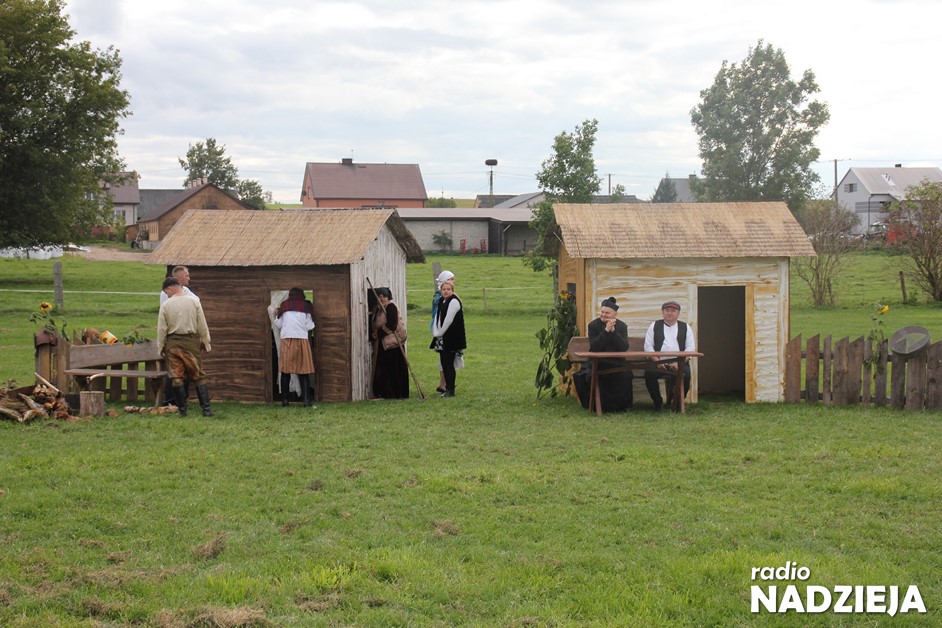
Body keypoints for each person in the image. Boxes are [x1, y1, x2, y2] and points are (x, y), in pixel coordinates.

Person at [157, 277, 214, 417]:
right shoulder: (194, 302)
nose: (167, 295)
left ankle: (182, 410)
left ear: (170, 288)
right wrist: (206, 342)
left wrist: (161, 346)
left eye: (167, 292)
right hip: (191, 343)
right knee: (198, 375)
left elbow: (161, 328)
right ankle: (206, 410)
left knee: (176, 377)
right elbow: (202, 324)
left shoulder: (166, 305)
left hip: (172, 344)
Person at [574, 297, 632, 412]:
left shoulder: (622, 326)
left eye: (607, 313)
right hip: (597, 363)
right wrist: (605, 331)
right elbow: (594, 347)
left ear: (615, 315)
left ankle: (621, 407)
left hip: (617, 363)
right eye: (602, 312)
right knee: (592, 375)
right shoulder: (593, 325)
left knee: (626, 375)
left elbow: (623, 347)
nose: (604, 315)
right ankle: (598, 406)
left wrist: (613, 332)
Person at [643, 300, 695, 411]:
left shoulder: (686, 327)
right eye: (667, 310)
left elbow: (690, 348)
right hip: (658, 362)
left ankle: (677, 403)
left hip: (679, 362)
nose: (670, 313)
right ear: (663, 312)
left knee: (686, 375)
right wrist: (657, 361)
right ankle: (658, 403)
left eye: (673, 311)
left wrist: (679, 363)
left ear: (678, 313)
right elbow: (648, 346)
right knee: (649, 373)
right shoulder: (654, 326)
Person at [159, 265, 198, 405]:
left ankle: (182, 400)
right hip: (174, 336)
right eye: (186, 275)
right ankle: (170, 401)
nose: (189, 278)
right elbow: (168, 314)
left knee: (185, 370)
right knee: (174, 371)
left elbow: (197, 302)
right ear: (179, 277)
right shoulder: (166, 293)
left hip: (187, 338)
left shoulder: (186, 291)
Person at [273, 287, 316, 407]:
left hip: (287, 340)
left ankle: (285, 401)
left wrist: (275, 315)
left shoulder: (284, 306)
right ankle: (306, 401)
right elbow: (310, 326)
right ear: (302, 295)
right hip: (301, 340)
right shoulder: (306, 307)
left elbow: (279, 324)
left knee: (285, 371)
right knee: (304, 371)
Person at [371, 287, 409, 399]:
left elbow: (392, 324)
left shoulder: (391, 306)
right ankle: (385, 392)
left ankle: (396, 393)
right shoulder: (378, 308)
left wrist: (378, 333)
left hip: (393, 343)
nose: (382, 298)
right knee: (385, 368)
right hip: (384, 342)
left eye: (384, 296)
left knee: (394, 368)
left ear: (388, 297)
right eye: (379, 296)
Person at [430, 279, 465, 398]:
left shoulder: (454, 301)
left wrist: (439, 332)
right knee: (444, 363)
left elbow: (448, 320)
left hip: (451, 338)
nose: (445, 291)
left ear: (452, 290)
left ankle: (451, 389)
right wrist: (435, 331)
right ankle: (446, 388)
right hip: (442, 337)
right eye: (444, 289)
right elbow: (438, 317)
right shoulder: (442, 301)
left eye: (448, 289)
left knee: (449, 364)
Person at [431, 270, 455, 393]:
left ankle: (444, 384)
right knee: (445, 358)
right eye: (451, 279)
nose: (454, 281)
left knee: (447, 358)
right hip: (441, 329)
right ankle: (443, 384)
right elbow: (440, 315)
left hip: (445, 329)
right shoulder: (440, 296)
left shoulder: (448, 296)